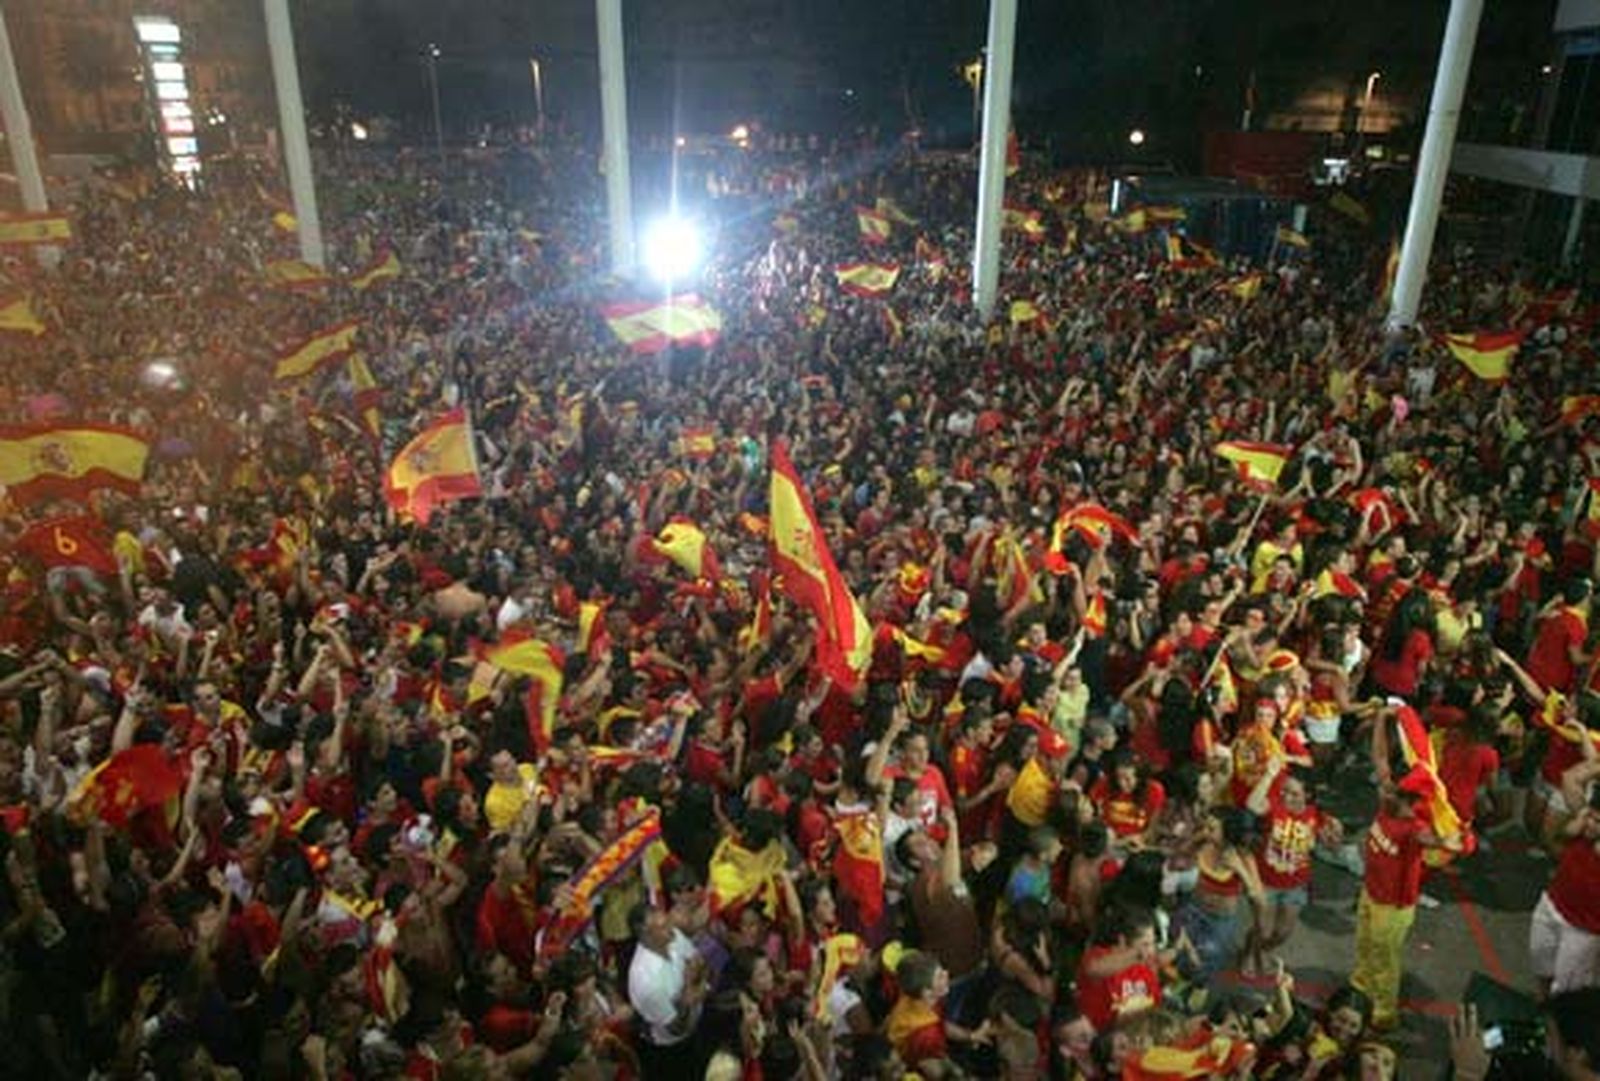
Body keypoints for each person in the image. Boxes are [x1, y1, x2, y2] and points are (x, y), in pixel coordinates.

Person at [625, 902, 708, 1076]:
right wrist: (689, 986)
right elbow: (677, 1028)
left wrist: (697, 990)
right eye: (663, 926)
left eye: (668, 921)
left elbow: (700, 963)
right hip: (673, 1051)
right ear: (645, 936)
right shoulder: (646, 982)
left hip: (699, 1025)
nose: (672, 928)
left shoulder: (672, 936)